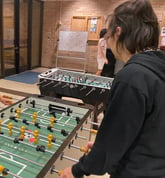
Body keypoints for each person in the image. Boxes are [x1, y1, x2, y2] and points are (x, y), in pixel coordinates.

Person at [60, 0, 165, 177]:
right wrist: (106, 147)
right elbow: (144, 128)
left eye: (108, 35)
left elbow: (112, 140)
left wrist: (78, 169)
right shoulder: (157, 67)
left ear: (118, 32)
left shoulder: (132, 77)